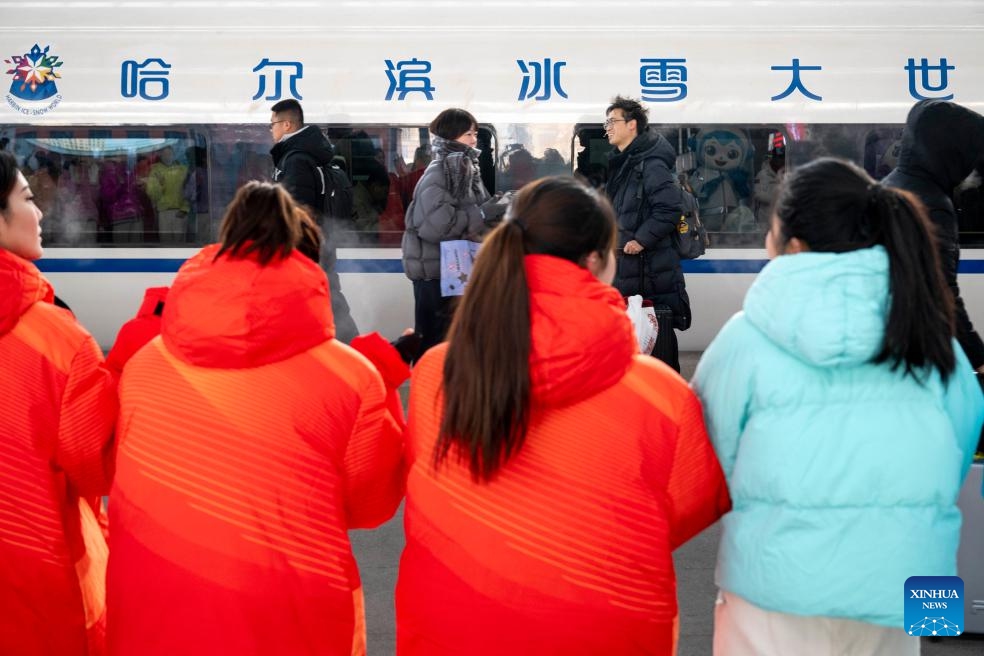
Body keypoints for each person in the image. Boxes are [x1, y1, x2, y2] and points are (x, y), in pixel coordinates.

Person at [396, 176, 730, 655]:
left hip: (450, 629)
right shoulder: (660, 394)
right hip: (606, 630)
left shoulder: (438, 375)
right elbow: (686, 507)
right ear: (596, 261)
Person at [692, 158, 984, 656]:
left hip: (776, 586)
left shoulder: (746, 337)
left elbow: (707, 456)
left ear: (793, 245)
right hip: (906, 586)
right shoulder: (932, 336)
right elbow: (955, 454)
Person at [106, 182, 404, 656]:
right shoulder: (351, 377)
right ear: (311, 268)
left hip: (152, 607)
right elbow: (371, 506)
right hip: (290, 616)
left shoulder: (145, 364)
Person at [0, 149, 117, 655]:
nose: (40, 211)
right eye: (27, 198)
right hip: (36, 589)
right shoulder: (58, 341)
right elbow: (97, 468)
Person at [882, 99, 984, 373]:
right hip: (916, 348)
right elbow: (941, 292)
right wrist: (978, 356)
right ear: (953, 153)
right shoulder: (932, 204)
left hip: (888, 339)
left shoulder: (889, 186)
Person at [402, 107, 507, 362]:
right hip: (437, 274)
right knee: (435, 344)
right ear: (451, 136)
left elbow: (467, 213)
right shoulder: (441, 171)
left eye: (475, 134)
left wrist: (495, 209)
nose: (474, 140)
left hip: (452, 272)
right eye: (468, 134)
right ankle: (430, 386)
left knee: (451, 344)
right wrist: (482, 213)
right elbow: (436, 226)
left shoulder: (463, 168)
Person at [603, 96, 690, 371]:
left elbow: (669, 208)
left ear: (632, 125)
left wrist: (641, 240)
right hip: (632, 268)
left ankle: (664, 390)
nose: (607, 128)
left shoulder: (651, 165)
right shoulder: (626, 164)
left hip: (648, 269)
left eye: (612, 121)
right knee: (637, 338)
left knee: (654, 336)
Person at [269, 98, 359, 343]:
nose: (271, 130)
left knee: (326, 299)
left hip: (307, 246)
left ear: (287, 125)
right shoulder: (306, 155)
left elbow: (297, 209)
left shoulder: (295, 160)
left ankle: (351, 349)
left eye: (272, 124)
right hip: (319, 241)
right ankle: (348, 349)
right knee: (327, 296)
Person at [105, 285, 169, 378]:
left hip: (128, 384)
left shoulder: (130, 327)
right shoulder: (177, 333)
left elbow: (113, 368)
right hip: (163, 384)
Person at [145, 146, 190, 243]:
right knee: (166, 244)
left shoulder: (182, 169)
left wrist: (185, 209)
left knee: (180, 245)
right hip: (163, 212)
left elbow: (189, 190)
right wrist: (161, 185)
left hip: (180, 211)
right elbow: (152, 194)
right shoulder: (155, 170)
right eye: (164, 154)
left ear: (174, 154)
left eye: (169, 154)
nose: (167, 156)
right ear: (160, 156)